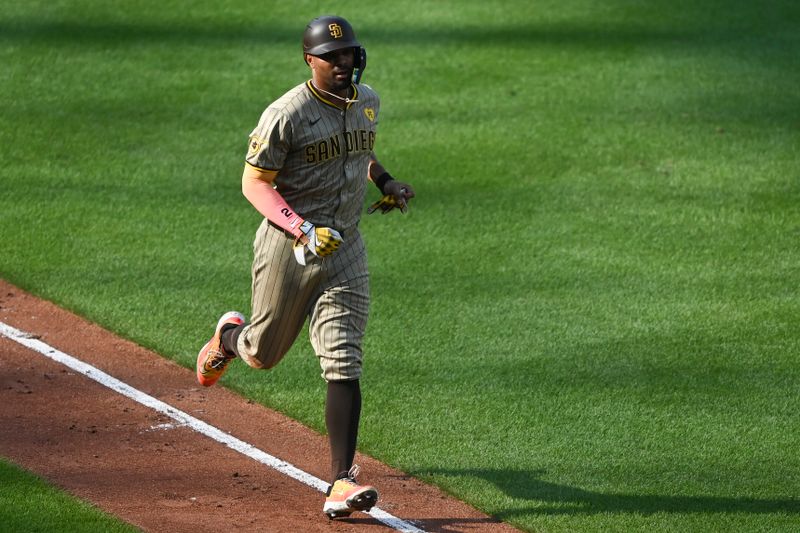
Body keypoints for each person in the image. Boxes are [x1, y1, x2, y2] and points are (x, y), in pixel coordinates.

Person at [195, 15, 415, 519]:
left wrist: (386, 181)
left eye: (349, 54)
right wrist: (302, 228)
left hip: (347, 248)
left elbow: (359, 148)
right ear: (309, 60)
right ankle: (229, 338)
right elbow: (255, 183)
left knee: (343, 356)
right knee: (262, 354)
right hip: (288, 248)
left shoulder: (367, 101)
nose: (343, 63)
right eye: (332, 57)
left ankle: (341, 479)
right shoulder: (286, 114)